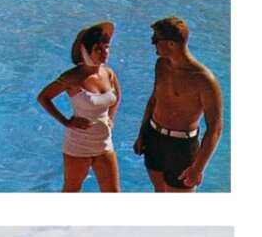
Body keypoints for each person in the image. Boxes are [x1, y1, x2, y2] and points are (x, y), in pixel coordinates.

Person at [134, 17, 223, 192]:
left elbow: (215, 128)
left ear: (171, 44)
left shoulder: (204, 80)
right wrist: (142, 134)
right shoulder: (161, 65)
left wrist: (198, 167)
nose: (153, 44)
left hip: (181, 147)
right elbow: (154, 101)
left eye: (155, 40)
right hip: (154, 138)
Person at [37, 22, 121, 193]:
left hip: (104, 143)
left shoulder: (108, 73)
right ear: (85, 51)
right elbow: (44, 97)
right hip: (78, 145)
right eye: (98, 49)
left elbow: (116, 97)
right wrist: (66, 122)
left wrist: (111, 118)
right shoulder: (72, 77)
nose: (104, 53)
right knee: (72, 191)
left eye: (106, 48)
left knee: (113, 192)